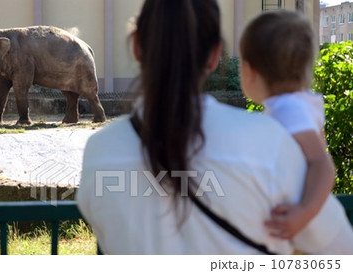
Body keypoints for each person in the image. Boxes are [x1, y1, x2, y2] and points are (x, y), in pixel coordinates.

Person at [77, 0, 353, 254]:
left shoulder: (99, 153)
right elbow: (339, 249)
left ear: (137, 46)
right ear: (214, 55)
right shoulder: (269, 143)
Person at [239, 10, 335, 240]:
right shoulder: (298, 104)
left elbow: (323, 165)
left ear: (249, 71)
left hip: (307, 226)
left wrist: (304, 213)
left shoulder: (289, 110)